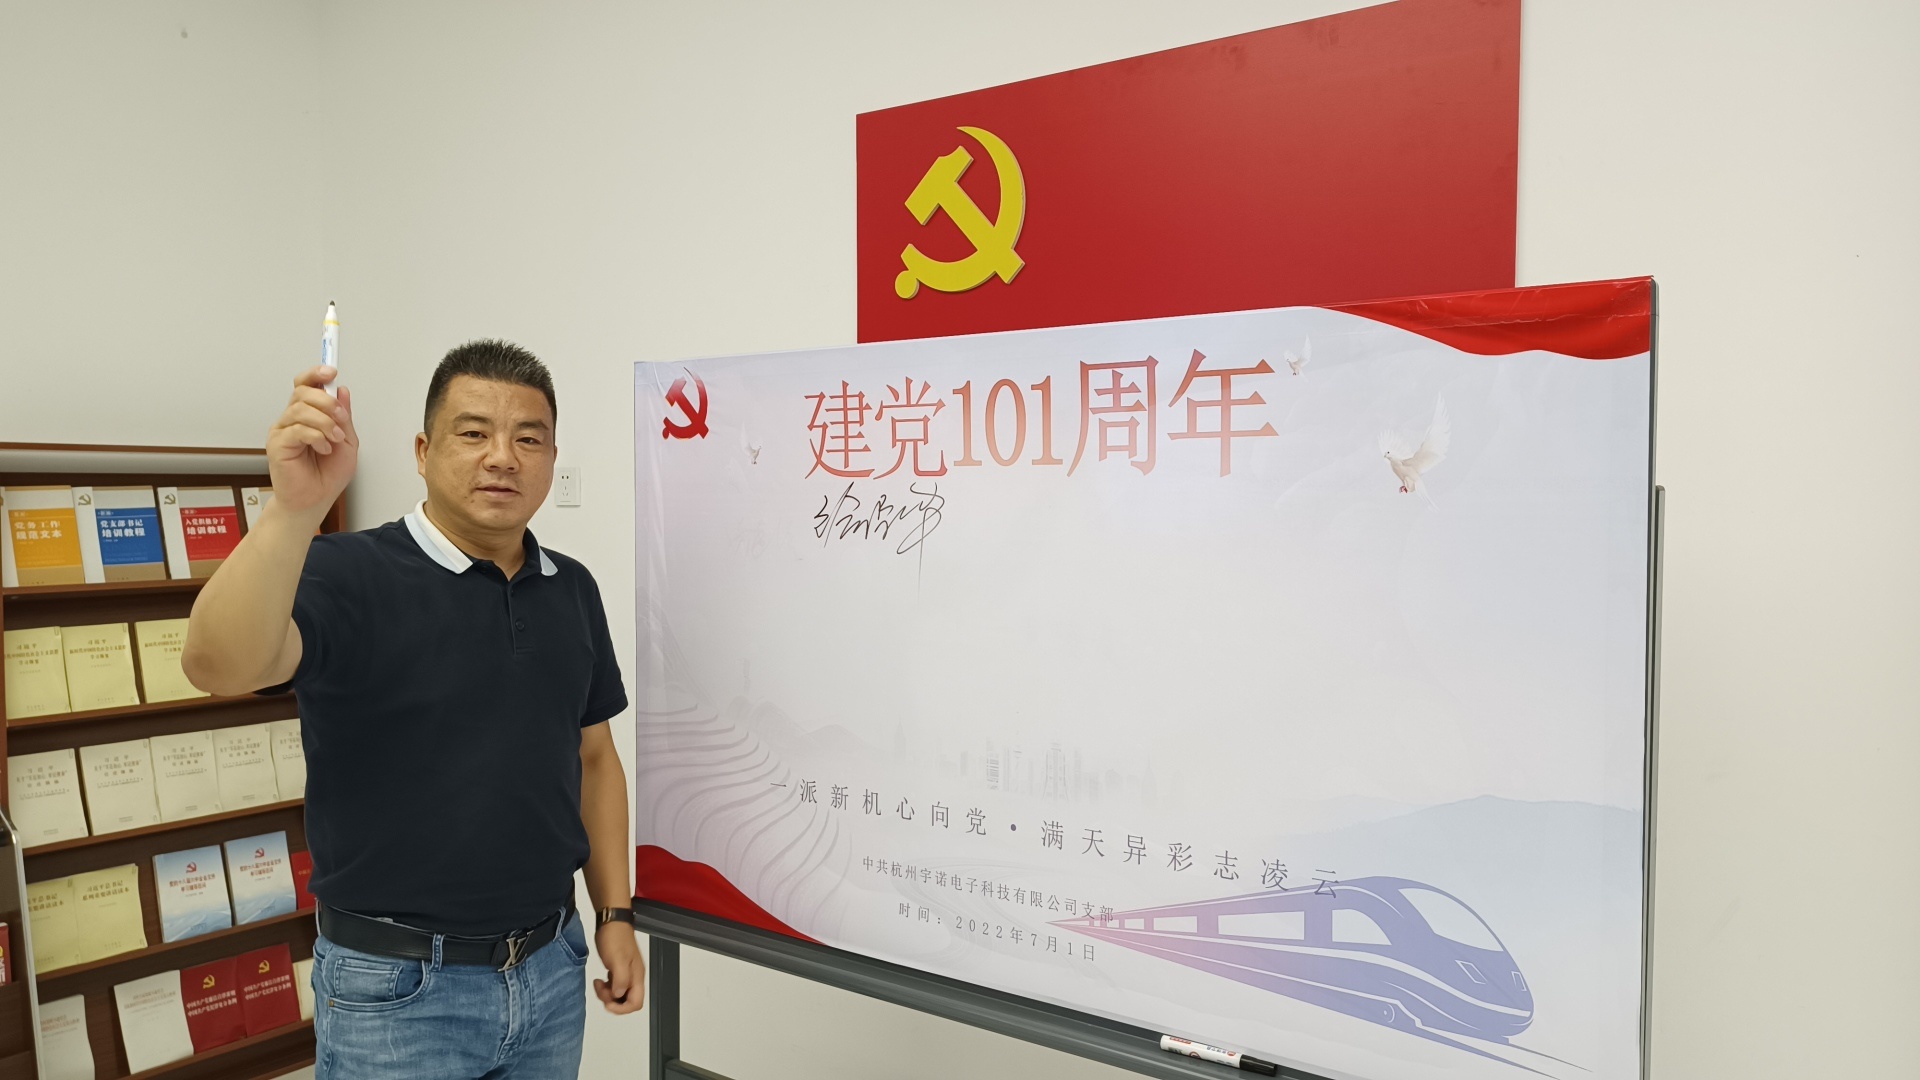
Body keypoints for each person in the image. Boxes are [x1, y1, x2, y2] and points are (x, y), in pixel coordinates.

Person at [183, 340, 644, 1079]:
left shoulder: (572, 589)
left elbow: (594, 757)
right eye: (474, 433)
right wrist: (294, 510)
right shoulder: (346, 571)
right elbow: (216, 666)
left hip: (550, 966)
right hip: (395, 989)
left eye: (528, 439)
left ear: (552, 458)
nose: (502, 457)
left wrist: (615, 913)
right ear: (423, 452)